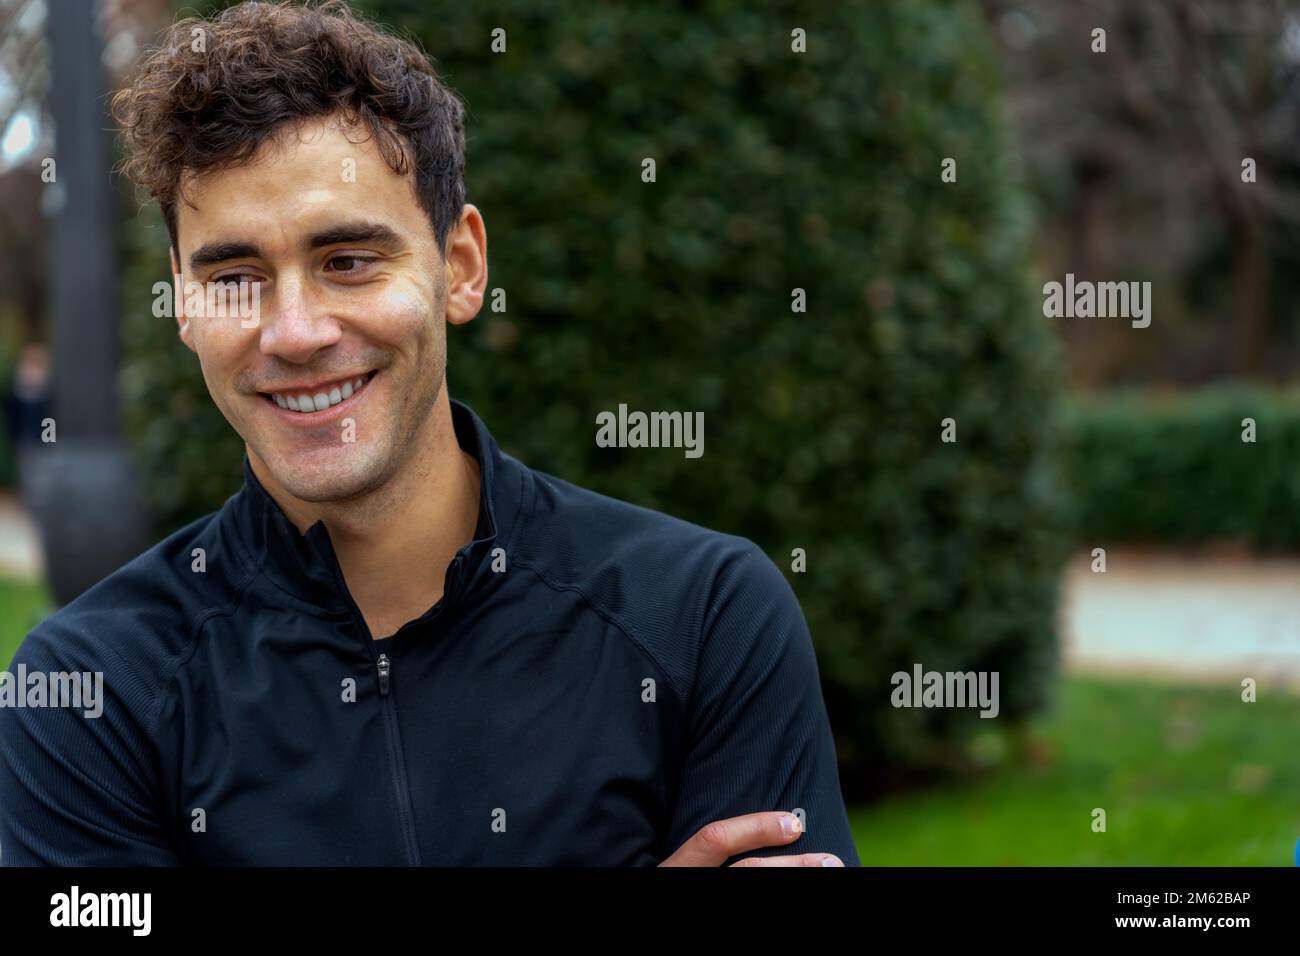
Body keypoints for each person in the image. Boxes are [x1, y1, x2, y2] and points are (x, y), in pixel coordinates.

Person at [0, 0, 858, 867]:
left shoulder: (702, 618)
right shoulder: (86, 693)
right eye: (234, 276)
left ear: (462, 266)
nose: (293, 332)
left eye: (348, 261)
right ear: (183, 301)